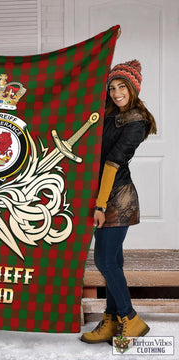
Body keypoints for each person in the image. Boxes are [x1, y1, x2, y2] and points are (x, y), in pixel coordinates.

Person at [81, 60, 157, 344]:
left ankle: (130, 318)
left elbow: (113, 163)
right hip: (104, 193)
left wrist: (100, 206)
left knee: (104, 260)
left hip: (118, 198)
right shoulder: (110, 112)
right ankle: (112, 320)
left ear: (133, 89)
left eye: (121, 86)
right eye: (112, 87)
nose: (115, 92)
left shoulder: (137, 121)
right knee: (113, 260)